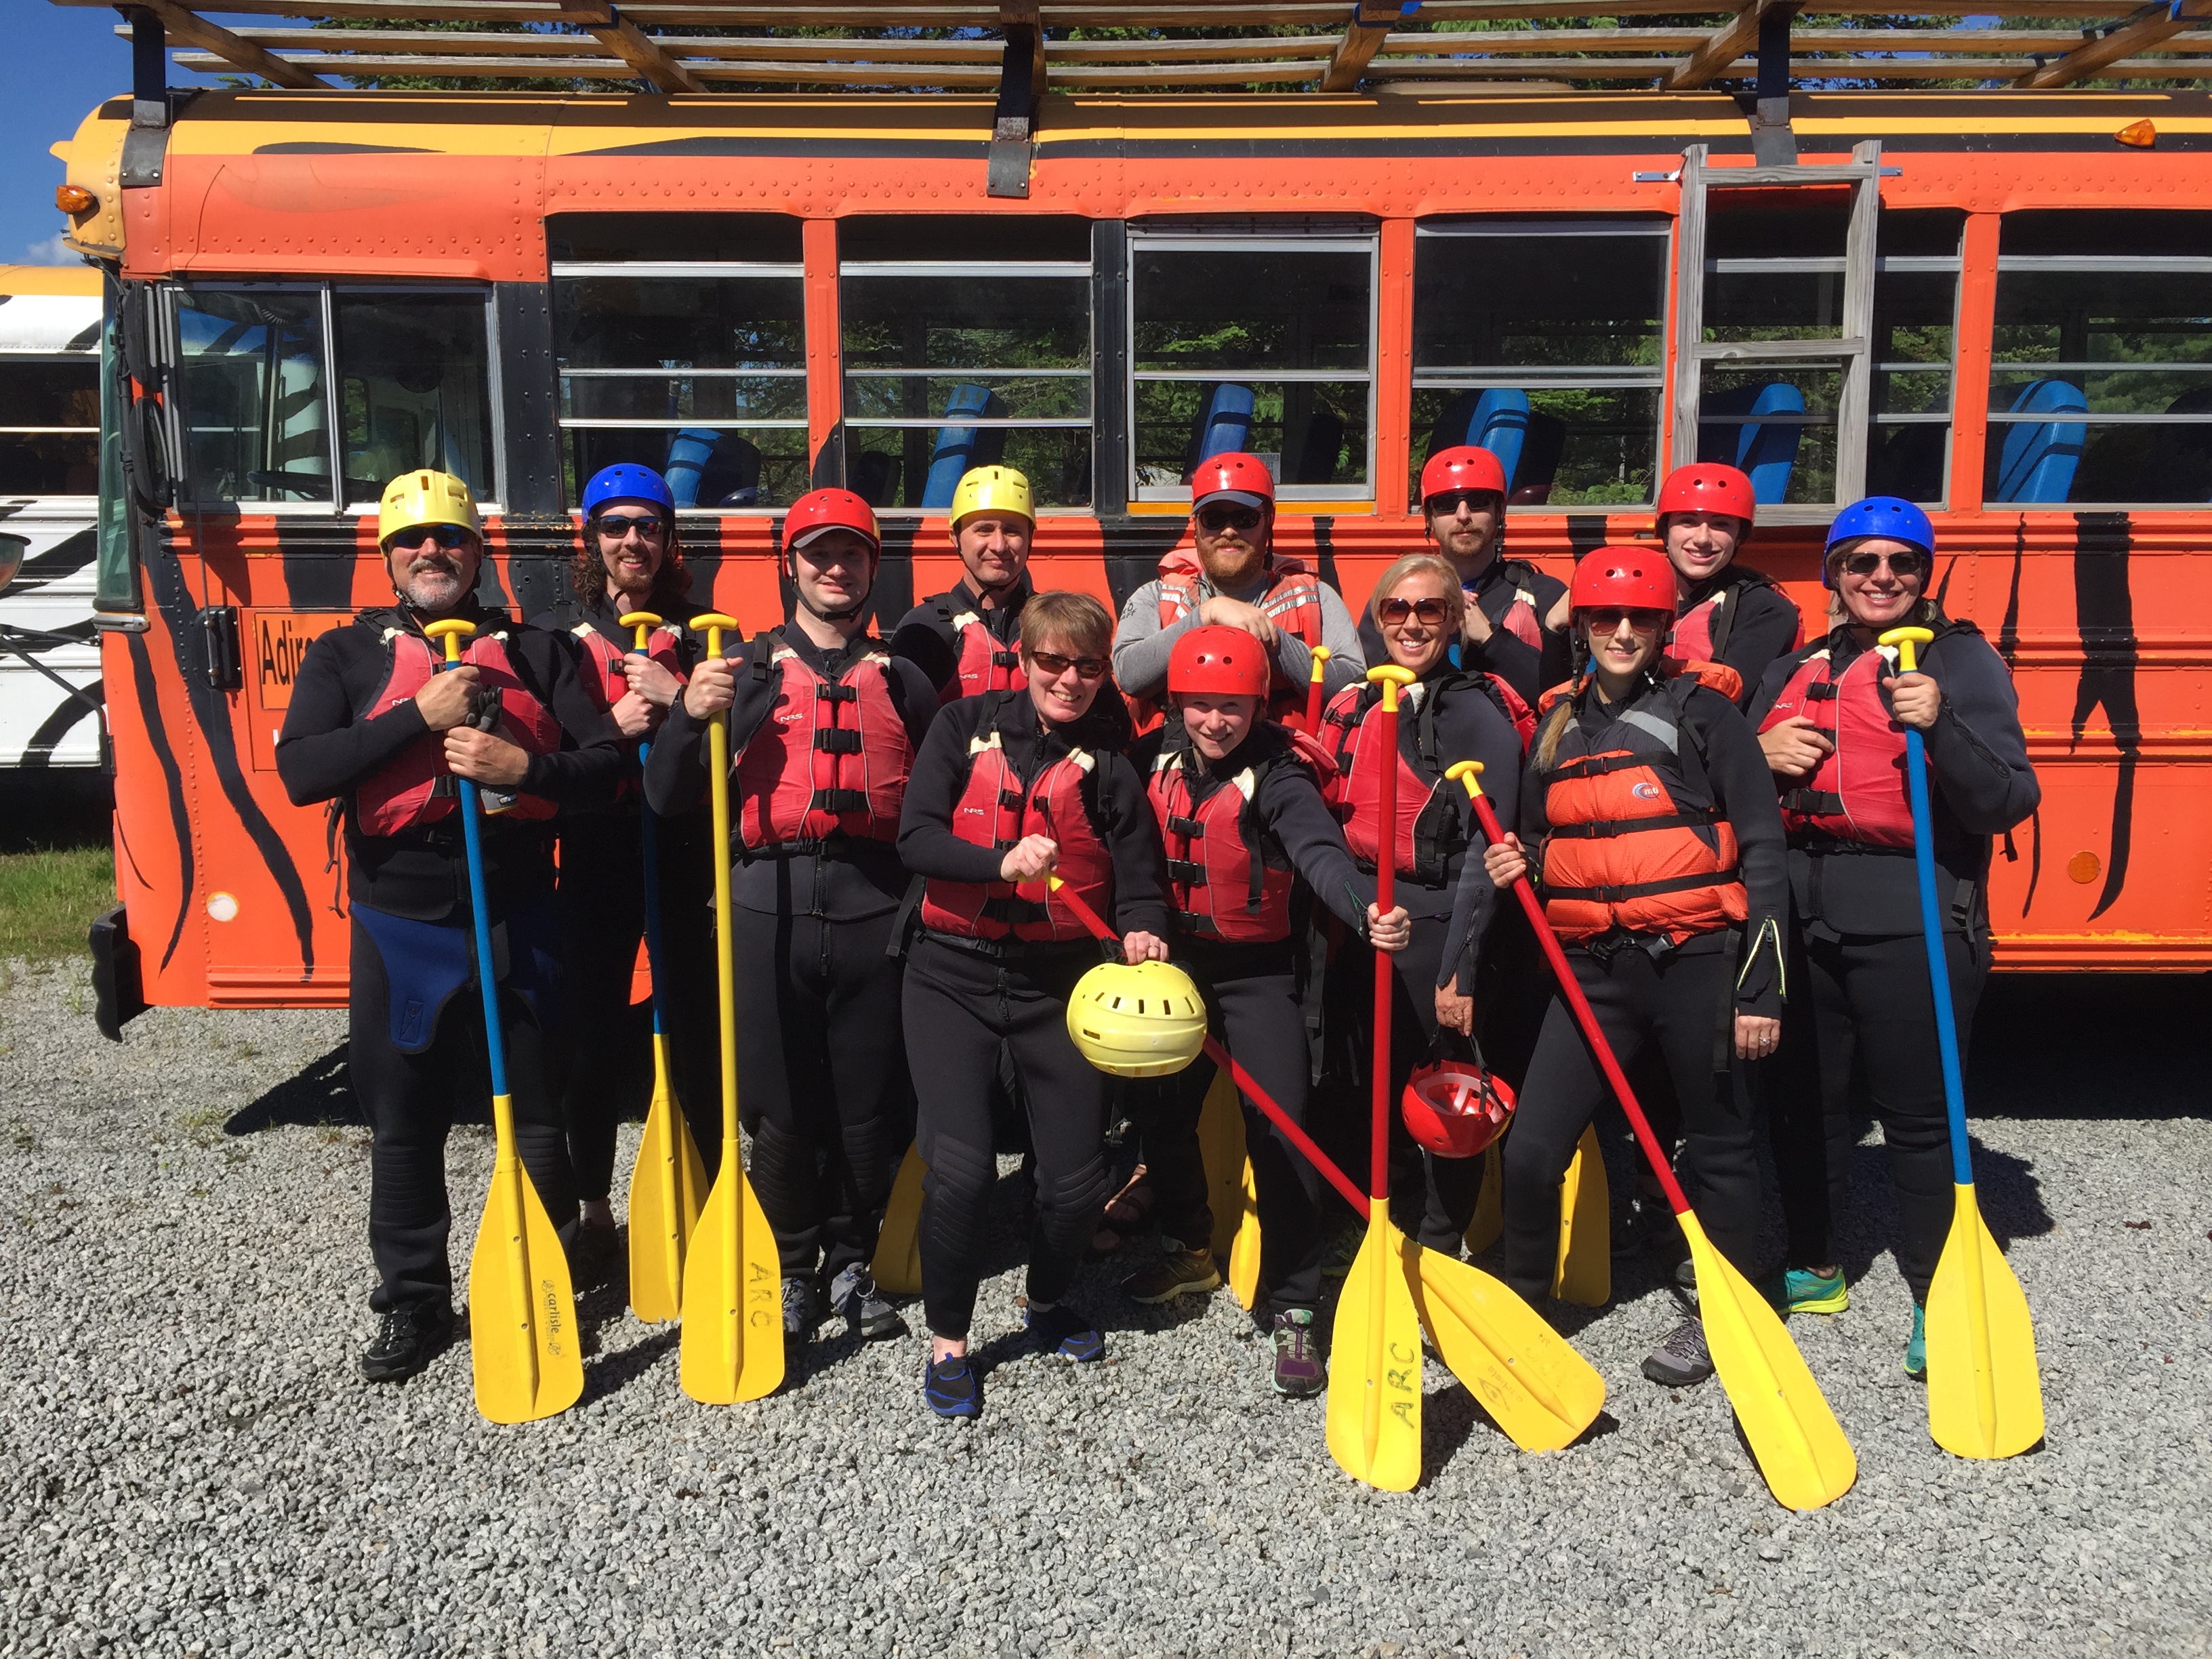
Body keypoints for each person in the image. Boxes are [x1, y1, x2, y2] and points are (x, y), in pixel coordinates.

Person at [274, 470, 624, 1383]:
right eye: (411, 541)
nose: (431, 552)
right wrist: (413, 716)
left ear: (478, 553)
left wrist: (527, 767)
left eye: (451, 539)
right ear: (389, 557)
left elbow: (605, 768)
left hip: (517, 909)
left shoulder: (544, 652)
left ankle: (539, 1282)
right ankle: (415, 1303)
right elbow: (304, 772)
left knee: (539, 1114)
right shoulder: (345, 658)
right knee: (405, 1117)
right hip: (404, 921)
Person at [1478, 546, 1788, 1388]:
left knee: (1718, 1149)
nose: (1622, 632)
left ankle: (1726, 1312)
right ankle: (1527, 1305)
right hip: (1595, 972)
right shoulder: (1553, 725)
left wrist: (1761, 987)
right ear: (1579, 626)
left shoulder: (1706, 715)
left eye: (1640, 618)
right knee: (1534, 1149)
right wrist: (1524, 868)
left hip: (1698, 963)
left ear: (1661, 628)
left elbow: (1762, 849)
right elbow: (1552, 844)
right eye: (1605, 618)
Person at [1750, 496, 2038, 1380]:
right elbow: (1728, 794)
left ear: (1924, 574)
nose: (1882, 578)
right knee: (1807, 1101)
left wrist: (1941, 719)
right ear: (1834, 572)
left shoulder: (1959, 658)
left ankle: (1935, 1289)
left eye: (1901, 564)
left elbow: (2007, 798)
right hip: (1805, 912)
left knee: (1918, 1118)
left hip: (1912, 914)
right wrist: (1758, 759)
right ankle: (1817, 1259)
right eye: (1862, 562)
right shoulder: (1796, 666)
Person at [647, 487, 937, 1351]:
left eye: (851, 552)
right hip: (764, 905)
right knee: (777, 1107)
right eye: (818, 552)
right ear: (791, 563)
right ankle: (789, 1261)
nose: (834, 567)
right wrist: (688, 717)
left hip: (873, 907)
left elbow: (942, 801)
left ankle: (852, 1257)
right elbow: (667, 798)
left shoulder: (906, 677)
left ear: (873, 565)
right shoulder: (740, 671)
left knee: (864, 1103)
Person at [897, 591, 1172, 1420]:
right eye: (1053, 661)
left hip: (1059, 987)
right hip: (951, 975)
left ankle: (1046, 1304)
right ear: (1025, 658)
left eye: (1089, 666)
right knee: (963, 1171)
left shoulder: (1112, 764)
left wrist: (1145, 933)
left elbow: (1142, 882)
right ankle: (949, 1340)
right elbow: (915, 839)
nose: (1070, 679)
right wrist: (1000, 861)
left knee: (1076, 1181)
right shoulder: (962, 727)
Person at [1124, 625, 1411, 1397]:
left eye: (1233, 707)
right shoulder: (1147, 755)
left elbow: (1320, 853)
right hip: (1174, 967)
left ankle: (1294, 1306)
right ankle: (1191, 1245)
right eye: (1201, 707)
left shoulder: (1280, 775)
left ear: (1258, 704)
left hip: (1255, 973)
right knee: (1158, 1116)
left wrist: (1364, 910)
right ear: (1178, 702)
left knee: (1282, 1134)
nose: (1216, 722)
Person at [531, 463, 716, 1271]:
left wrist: (675, 695)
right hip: (599, 853)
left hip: (684, 855)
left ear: (669, 539)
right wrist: (614, 719)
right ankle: (594, 1209)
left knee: (698, 1032)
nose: (632, 540)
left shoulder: (710, 635)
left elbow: (743, 746)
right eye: (616, 527)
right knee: (592, 1037)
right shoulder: (552, 638)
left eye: (647, 526)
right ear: (593, 540)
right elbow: (544, 755)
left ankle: (706, 1196)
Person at [1321, 553, 1530, 1254]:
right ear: (1377, 619)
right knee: (1364, 1091)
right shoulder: (1351, 702)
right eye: (1396, 609)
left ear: (1454, 621)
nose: (1411, 623)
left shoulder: (1475, 710)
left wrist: (1458, 973)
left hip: (1439, 928)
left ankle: (1442, 1242)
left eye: (1430, 609)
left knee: (1445, 1100)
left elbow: (1487, 852)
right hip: (1364, 921)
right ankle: (1386, 1229)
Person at [1111, 451, 1365, 724]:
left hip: (1286, 762)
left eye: (1245, 519)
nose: (1229, 531)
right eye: (1213, 519)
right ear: (1195, 526)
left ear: (1268, 522)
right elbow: (1129, 676)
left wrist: (1270, 637)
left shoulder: (1317, 598)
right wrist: (1206, 616)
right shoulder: (1155, 596)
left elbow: (1354, 690)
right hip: (1175, 762)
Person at [1356, 445, 1570, 708]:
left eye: (1478, 501)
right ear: (1429, 518)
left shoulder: (1544, 596)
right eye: (1446, 504)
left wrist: (1491, 639)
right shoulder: (1396, 602)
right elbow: (1369, 692)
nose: (1463, 515)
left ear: (1500, 511)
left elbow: (1559, 699)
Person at [1654, 462, 1804, 704]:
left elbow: (1719, 709)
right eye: (1688, 521)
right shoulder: (1628, 597)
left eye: (1721, 524)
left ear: (1739, 536)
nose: (1702, 538)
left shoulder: (1765, 611)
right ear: (1665, 530)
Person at [890, 464, 1037, 705]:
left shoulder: (1057, 624)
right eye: (984, 530)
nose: (999, 545)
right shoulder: (923, 631)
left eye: (1012, 531)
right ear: (955, 537)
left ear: (1031, 538)